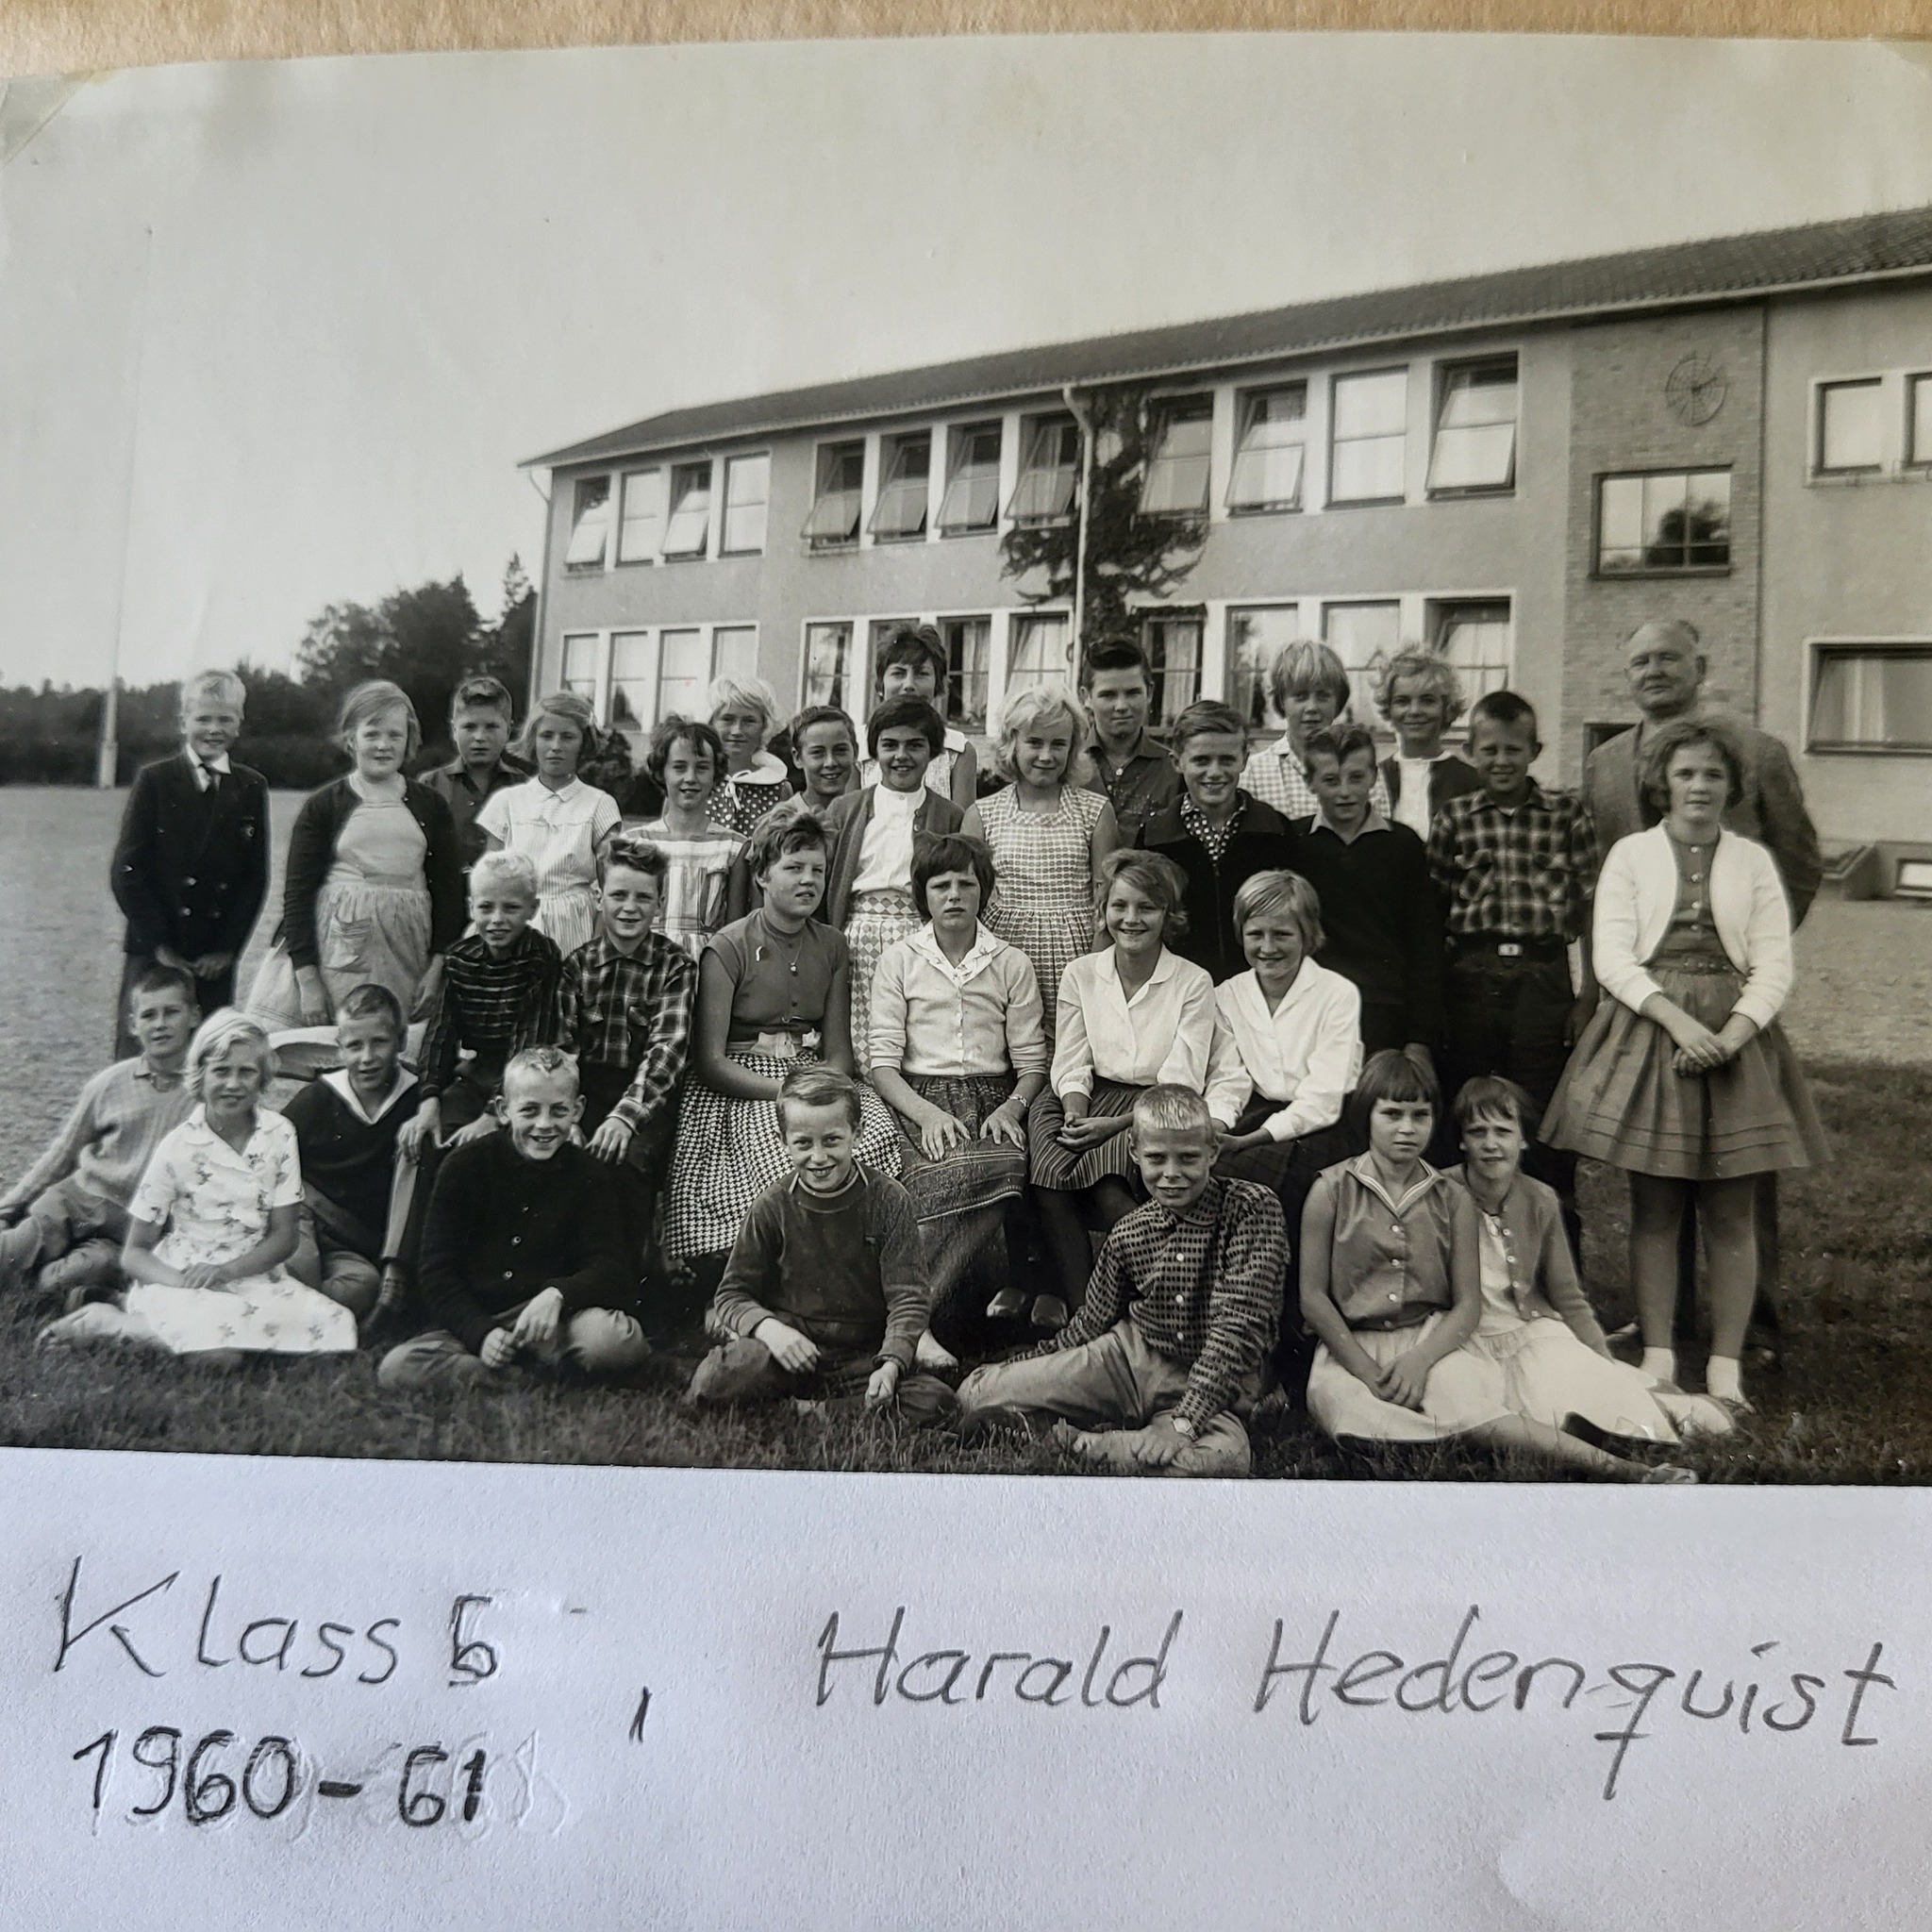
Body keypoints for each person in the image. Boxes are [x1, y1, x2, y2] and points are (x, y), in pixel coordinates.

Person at [1542, 717, 1828, 1414]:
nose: (1699, 786)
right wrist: (1679, 1023)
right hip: (1654, 1030)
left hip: (1736, 1038)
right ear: (1660, 784)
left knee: (1732, 1210)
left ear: (1732, 787)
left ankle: (1726, 1366)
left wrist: (1731, 1036)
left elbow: (1774, 962)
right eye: (1685, 774)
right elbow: (1612, 957)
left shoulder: (1752, 861)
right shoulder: (1632, 855)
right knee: (1657, 1207)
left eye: (1713, 775)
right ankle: (1659, 1354)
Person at [1581, 617, 1824, 1359]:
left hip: (1730, 995)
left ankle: (1753, 1322)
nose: (1654, 671)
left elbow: (1798, 860)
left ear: (1700, 665)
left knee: (1739, 1161)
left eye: (1669, 658)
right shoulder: (1603, 762)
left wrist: (1743, 956)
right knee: (1656, 1156)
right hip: (1646, 1000)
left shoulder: (1756, 751)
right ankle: (1667, 1319)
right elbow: (1602, 885)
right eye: (1640, 661)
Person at [955, 1086, 1283, 1477]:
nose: (1172, 1173)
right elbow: (1089, 1323)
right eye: (1156, 1158)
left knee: (1223, 1461)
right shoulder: (1130, 1232)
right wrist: (1026, 1366)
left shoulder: (1251, 1209)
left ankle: (1079, 1442)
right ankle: (1125, 1442)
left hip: (1213, 1381)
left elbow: (1238, 1328)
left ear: (1212, 1152)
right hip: (1130, 1357)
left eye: (1188, 1158)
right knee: (975, 1394)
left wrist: (1184, 1422)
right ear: (1134, 1153)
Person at [1441, 1076, 1723, 1479]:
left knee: (1584, 1395)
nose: (1491, 1144)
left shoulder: (1539, 1199)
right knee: (1518, 1415)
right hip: (1465, 1337)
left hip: (1527, 1332)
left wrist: (1601, 1361)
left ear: (1523, 1140)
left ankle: (1658, 1406)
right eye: (1477, 1132)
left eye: (1503, 1132)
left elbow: (1568, 1296)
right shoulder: (1441, 1194)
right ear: (1462, 1141)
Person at [660, 806, 901, 1274]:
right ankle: (761, 1278)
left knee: (876, 1137)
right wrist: (787, 1094)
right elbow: (710, 1061)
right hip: (742, 1085)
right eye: (793, 868)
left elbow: (838, 1052)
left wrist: (818, 1089)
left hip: (813, 1076)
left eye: (818, 870)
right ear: (762, 876)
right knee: (775, 1159)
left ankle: (843, 1271)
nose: (808, 880)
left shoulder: (832, 945)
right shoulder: (727, 946)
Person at [38, 1011, 356, 1362]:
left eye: (246, 1072)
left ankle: (167, 1329)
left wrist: (229, 1271)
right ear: (200, 1076)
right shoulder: (178, 1146)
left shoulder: (279, 1134)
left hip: (251, 1273)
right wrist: (184, 1284)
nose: (233, 1084)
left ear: (263, 1077)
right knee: (220, 1357)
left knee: (335, 1331)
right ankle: (108, 1323)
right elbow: (134, 1253)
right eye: (221, 1071)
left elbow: (284, 1237)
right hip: (184, 1275)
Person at [684, 1065, 955, 1420]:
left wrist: (890, 1364)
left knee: (935, 1400)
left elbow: (909, 1298)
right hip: (790, 1347)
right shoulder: (772, 1205)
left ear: (857, 1133)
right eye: (803, 1143)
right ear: (784, 1140)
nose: (818, 1157)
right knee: (715, 1381)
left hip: (861, 1354)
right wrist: (771, 1331)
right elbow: (732, 1294)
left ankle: (809, 1412)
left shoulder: (889, 1200)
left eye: (832, 1140)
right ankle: (836, 1411)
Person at [1425, 689, 1598, 1243]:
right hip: (1470, 977)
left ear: (1535, 751)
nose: (1501, 761)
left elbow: (1592, 908)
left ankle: (1555, 1257)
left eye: (1513, 749)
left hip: (1543, 979)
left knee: (1542, 1116)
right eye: (1489, 750)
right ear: (1471, 752)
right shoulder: (1454, 818)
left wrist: (1589, 995)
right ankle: (1464, 1248)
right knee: (1466, 1107)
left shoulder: (1566, 815)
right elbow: (1434, 912)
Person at [377, 1047, 650, 1390]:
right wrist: (480, 1332)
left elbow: (610, 1265)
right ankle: (521, 1374)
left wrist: (558, 1294)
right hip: (482, 1316)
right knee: (397, 1368)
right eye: (530, 1110)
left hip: (554, 1320)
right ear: (504, 1110)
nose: (544, 1125)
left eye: (559, 1111)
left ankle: (528, 1366)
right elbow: (436, 1272)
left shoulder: (589, 1174)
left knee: (616, 1341)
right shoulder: (463, 1166)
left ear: (577, 1110)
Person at [868, 833, 1046, 1351]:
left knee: (1005, 1165)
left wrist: (1012, 1107)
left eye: (966, 884)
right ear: (922, 894)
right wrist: (925, 1114)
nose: (953, 896)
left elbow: (1032, 1063)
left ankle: (910, 1317)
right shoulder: (900, 959)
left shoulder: (1010, 962)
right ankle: (913, 1320)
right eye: (940, 885)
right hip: (918, 1099)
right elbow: (883, 1065)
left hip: (993, 1099)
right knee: (938, 1178)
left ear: (982, 890)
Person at [1025, 848, 1216, 1328]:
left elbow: (1182, 1080)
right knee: (1049, 1169)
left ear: (1168, 915)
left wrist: (1114, 1125)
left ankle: (1166, 1302)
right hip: (1083, 1095)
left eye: (1146, 908)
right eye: (1119, 906)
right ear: (1104, 909)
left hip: (1155, 1104)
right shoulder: (1081, 972)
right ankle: (1084, 1315)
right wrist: (1075, 1111)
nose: (1131, 919)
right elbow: (1071, 1058)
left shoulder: (1192, 982)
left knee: (1108, 1188)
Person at [1299, 1050, 1486, 1443]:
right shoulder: (1330, 1190)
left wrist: (1420, 1361)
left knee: (1465, 1393)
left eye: (1420, 1116)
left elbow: (1469, 1304)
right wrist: (1366, 1371)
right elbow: (1312, 1297)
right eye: (1392, 1114)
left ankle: (1598, 1461)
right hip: (1353, 1344)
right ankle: (1447, 1434)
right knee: (1346, 1407)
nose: (1407, 1128)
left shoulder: (1453, 1198)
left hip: (1428, 1338)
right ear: (1366, 1115)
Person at [258, 679, 466, 1030]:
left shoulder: (430, 805)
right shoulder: (324, 805)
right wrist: (308, 980)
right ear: (352, 738)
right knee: (343, 1040)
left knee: (399, 1042)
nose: (383, 745)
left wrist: (437, 968)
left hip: (410, 950)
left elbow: (449, 893)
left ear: (409, 739)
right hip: (340, 952)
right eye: (372, 734)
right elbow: (297, 895)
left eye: (395, 735)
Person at [0, 964, 198, 1307]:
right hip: (76, 1200)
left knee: (86, 1270)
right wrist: (7, 1208)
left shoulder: (204, 1095)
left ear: (194, 1016)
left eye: (171, 1012)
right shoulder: (110, 1083)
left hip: (129, 1228)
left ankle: (47, 1287)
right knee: (13, 1251)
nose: (160, 1024)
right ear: (133, 1025)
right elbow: (61, 1155)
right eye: (149, 1015)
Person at [555, 834, 697, 1293]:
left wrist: (625, 1118)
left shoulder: (676, 967)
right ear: (598, 897)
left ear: (660, 903)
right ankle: (566, 1276)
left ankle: (626, 1287)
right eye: (618, 895)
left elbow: (666, 1052)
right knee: (561, 1153)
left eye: (643, 898)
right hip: (585, 1090)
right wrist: (566, 1117)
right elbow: (562, 1049)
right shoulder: (577, 967)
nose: (630, 908)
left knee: (628, 1160)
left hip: (648, 1098)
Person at [1206, 870, 1361, 1269]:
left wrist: (1250, 1140)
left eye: (1282, 934)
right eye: (1255, 934)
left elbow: (1323, 1098)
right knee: (1207, 1176)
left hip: (1324, 1126)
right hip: (1256, 1117)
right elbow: (1229, 1080)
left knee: (1291, 1190)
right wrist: (1216, 1128)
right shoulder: (1227, 995)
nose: (1268, 947)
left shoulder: (1337, 994)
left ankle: (1292, 1297)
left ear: (1307, 935)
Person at [108, 669, 269, 1055]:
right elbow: (127, 872)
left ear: (239, 724)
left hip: (211, 957)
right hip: (156, 949)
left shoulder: (251, 786)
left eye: (224, 719)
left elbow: (254, 878)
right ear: (184, 723)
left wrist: (228, 949)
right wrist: (161, 945)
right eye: (203, 719)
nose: (213, 729)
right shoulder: (155, 780)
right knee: (143, 1053)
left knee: (206, 1056)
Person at [962, 685, 1120, 1040]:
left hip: (1076, 957)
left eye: (1058, 744)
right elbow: (971, 900)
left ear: (1073, 748)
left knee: (1072, 1047)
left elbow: (1106, 899)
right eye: (1034, 742)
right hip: (1003, 956)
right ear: (1011, 744)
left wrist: (1093, 972)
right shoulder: (982, 814)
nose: (1046, 755)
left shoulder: (1095, 811)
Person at [1282, 723, 1443, 1061]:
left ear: (1373, 777)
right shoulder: (1293, 843)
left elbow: (1424, 944)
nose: (1345, 792)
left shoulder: (1403, 845)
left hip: (1386, 1011)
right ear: (1309, 782)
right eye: (1331, 780)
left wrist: (1420, 1038)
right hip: (1313, 1010)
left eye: (1356, 778)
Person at [824, 697, 964, 1075]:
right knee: (859, 1033)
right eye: (890, 745)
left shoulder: (950, 816)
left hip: (919, 937)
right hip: (857, 936)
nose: (901, 756)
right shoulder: (845, 809)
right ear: (875, 751)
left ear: (933, 752)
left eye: (914, 745)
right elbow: (828, 881)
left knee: (913, 1032)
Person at [402, 850, 562, 1155]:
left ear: (533, 909)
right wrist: (429, 1099)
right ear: (471, 908)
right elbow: (440, 1036)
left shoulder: (540, 959)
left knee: (489, 1148)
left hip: (527, 1082)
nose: (497, 919)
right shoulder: (460, 959)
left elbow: (528, 1044)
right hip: (477, 1075)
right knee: (430, 1138)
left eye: (511, 908)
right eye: (486, 907)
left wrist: (491, 1115)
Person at [284, 981, 421, 1324]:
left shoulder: (416, 1099)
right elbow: (268, 1155)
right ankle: (299, 1312)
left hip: (352, 1245)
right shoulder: (318, 1099)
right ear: (340, 1048)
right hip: (305, 1219)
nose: (367, 1058)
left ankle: (288, 1313)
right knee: (297, 1265)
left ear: (402, 1040)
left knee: (364, 1286)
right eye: (355, 1046)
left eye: (379, 1042)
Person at [1139, 698, 1296, 983]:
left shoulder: (1275, 830)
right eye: (1201, 760)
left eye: (1227, 760)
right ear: (1177, 762)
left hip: (1257, 987)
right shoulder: (1154, 837)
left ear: (1244, 759)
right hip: (1178, 988)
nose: (1214, 772)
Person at [475, 689, 623, 958]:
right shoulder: (507, 802)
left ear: (583, 743)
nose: (556, 746)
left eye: (567, 737)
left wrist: (597, 947)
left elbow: (612, 887)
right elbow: (489, 880)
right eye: (546, 736)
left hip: (576, 925)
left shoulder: (599, 805)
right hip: (517, 924)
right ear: (533, 740)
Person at [633, 716, 748, 962]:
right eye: (679, 767)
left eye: (702, 767)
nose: (690, 778)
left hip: (707, 966)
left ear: (716, 773)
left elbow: (735, 930)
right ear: (662, 772)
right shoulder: (636, 842)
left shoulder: (734, 847)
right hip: (646, 964)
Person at [1240, 638, 1392, 823]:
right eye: (1300, 696)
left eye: (1323, 696)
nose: (1312, 707)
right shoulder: (1254, 773)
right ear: (1281, 701)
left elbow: (1379, 834)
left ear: (1338, 701)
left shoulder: (1362, 768)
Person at [417, 674, 532, 876]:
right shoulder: (430, 784)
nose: (479, 737)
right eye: (469, 727)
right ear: (454, 730)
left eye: (491, 727)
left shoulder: (523, 787)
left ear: (508, 730)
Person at [857, 624, 979, 811]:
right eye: (898, 673)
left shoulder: (957, 751)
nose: (909, 684)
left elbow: (962, 825)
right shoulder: (857, 745)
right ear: (881, 683)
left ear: (937, 683)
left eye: (922, 673)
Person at [1079, 637, 1179, 847]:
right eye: (1108, 695)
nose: (1121, 706)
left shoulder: (1173, 769)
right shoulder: (1067, 765)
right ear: (1086, 697)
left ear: (1149, 692)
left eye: (1132, 693)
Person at [1375, 646, 1481, 842]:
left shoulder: (1471, 782)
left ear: (1447, 708)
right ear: (1388, 708)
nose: (1415, 711)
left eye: (1427, 701)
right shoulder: (1374, 778)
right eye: (1402, 701)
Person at [707, 675, 795, 835]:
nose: (737, 731)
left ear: (765, 726)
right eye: (727, 719)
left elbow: (782, 844)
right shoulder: (694, 781)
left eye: (749, 721)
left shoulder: (778, 788)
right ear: (711, 723)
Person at [788, 705, 860, 812]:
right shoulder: (785, 818)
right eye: (817, 753)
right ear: (798, 758)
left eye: (840, 750)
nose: (830, 763)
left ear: (855, 752)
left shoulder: (868, 815)